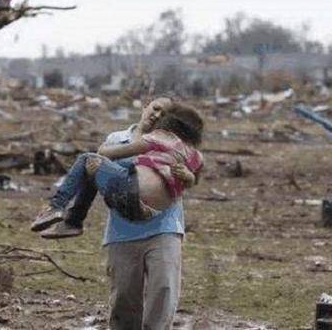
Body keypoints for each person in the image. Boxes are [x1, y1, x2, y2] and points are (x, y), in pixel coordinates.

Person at [41, 97, 195, 330]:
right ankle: (65, 216)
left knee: (163, 291)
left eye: (163, 114)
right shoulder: (116, 139)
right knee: (124, 298)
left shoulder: (176, 143)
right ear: (145, 107)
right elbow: (100, 173)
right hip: (122, 231)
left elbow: (189, 177)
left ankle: (65, 215)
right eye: (154, 108)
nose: (156, 115)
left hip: (164, 228)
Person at [30, 103, 203, 230]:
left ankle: (57, 208)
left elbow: (109, 154)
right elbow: (191, 181)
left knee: (87, 160)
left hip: (133, 195)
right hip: (151, 212)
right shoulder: (195, 155)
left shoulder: (159, 137)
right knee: (110, 166)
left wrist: (101, 154)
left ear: (170, 122)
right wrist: (189, 176)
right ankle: (72, 222)